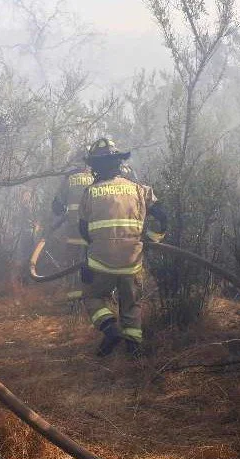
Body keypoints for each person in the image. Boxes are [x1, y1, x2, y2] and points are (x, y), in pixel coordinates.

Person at [77, 138, 168, 357]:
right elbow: (163, 216)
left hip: (100, 262)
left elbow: (83, 230)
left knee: (92, 297)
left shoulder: (90, 192)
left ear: (95, 167)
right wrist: (153, 239)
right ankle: (134, 350)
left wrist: (89, 258)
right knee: (131, 305)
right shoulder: (139, 190)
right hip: (132, 262)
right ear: (119, 163)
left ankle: (110, 329)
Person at [48, 151, 96, 304]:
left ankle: (72, 303)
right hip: (92, 233)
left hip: (74, 233)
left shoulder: (69, 179)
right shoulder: (98, 177)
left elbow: (56, 206)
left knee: (72, 265)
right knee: (93, 265)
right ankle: (92, 300)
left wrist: (64, 213)